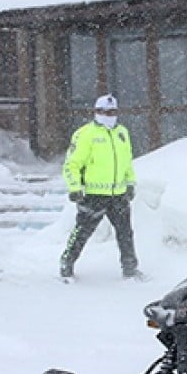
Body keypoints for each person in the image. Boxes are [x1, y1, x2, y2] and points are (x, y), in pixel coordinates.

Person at [59, 94, 140, 282]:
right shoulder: (85, 134)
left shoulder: (122, 133)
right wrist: (74, 187)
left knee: (125, 233)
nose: (109, 115)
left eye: (113, 112)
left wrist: (130, 183)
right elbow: (71, 164)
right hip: (93, 195)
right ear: (96, 112)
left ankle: (130, 269)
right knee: (82, 232)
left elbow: (127, 162)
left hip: (118, 194)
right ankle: (67, 263)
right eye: (104, 112)